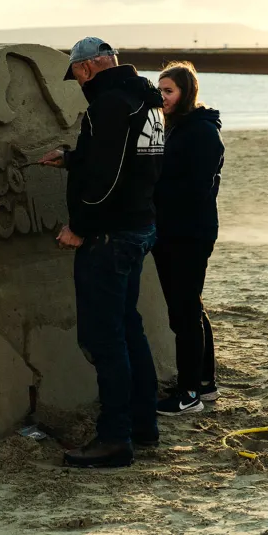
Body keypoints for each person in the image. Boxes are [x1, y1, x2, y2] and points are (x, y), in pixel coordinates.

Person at [39, 37, 166, 468]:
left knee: (102, 339)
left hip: (110, 237)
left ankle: (114, 438)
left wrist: (79, 227)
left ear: (86, 69)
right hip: (140, 225)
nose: (75, 82)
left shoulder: (108, 104)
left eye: (74, 74)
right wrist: (74, 158)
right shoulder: (146, 99)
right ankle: (143, 424)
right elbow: (128, 161)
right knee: (129, 328)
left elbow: (107, 182)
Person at [150, 61, 225, 416]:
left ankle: (189, 393)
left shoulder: (201, 132)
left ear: (186, 92)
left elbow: (196, 188)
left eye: (169, 91)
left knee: (182, 315)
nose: (161, 96)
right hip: (176, 231)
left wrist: (158, 194)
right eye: (159, 90)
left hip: (188, 234)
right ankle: (205, 384)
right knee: (191, 308)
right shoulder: (177, 127)